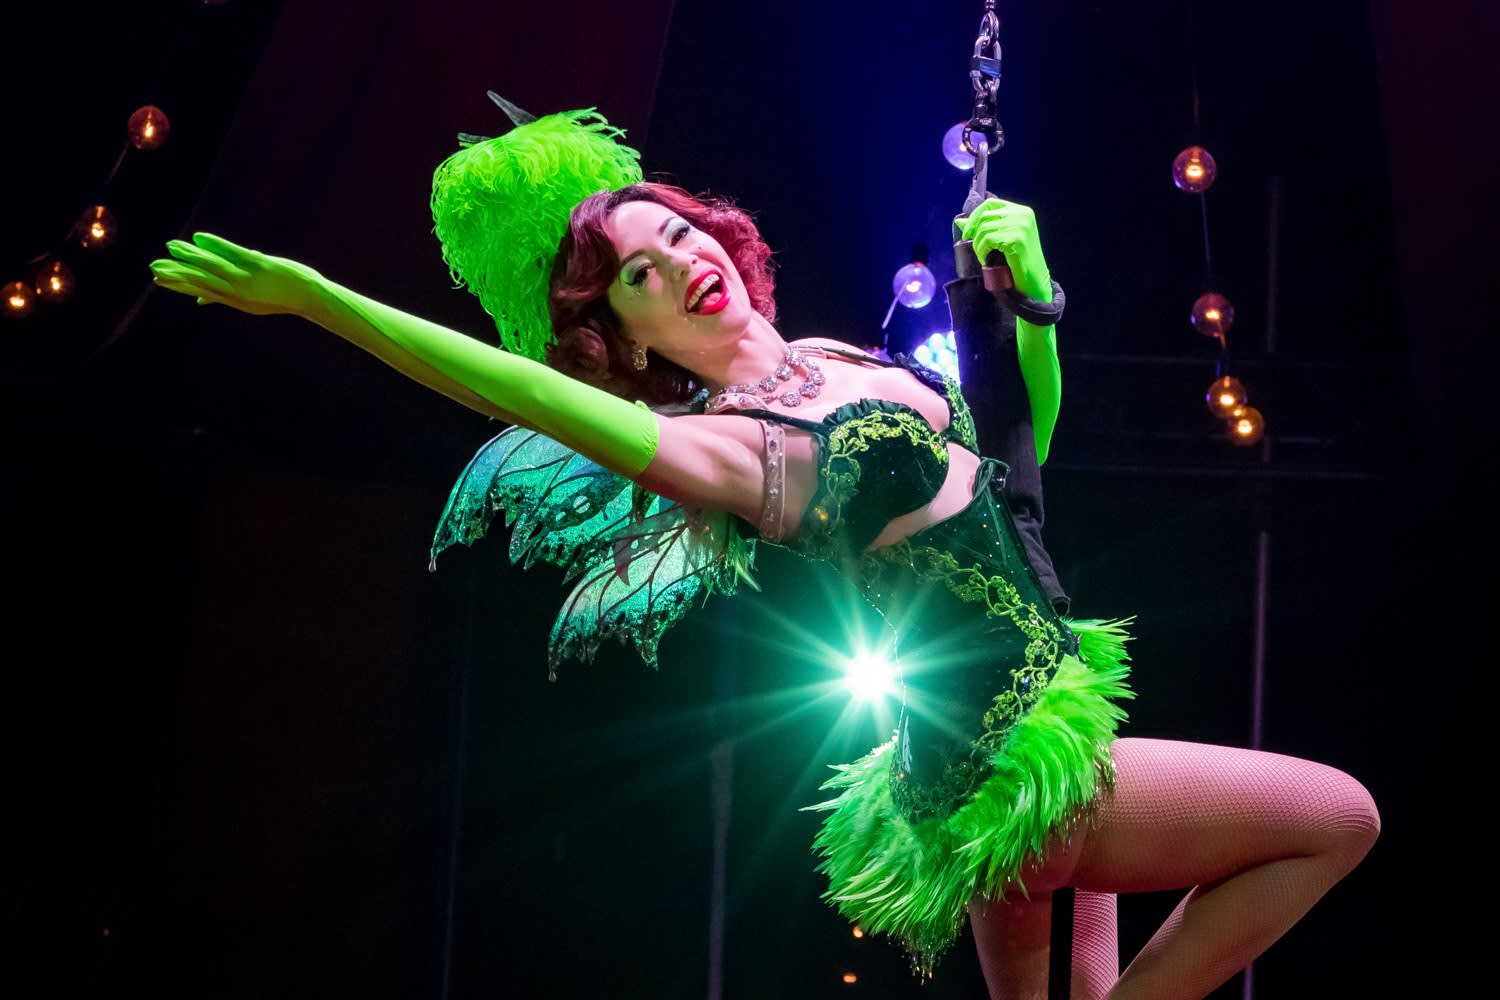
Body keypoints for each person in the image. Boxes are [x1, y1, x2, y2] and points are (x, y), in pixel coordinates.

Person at [148, 105, 1379, 1000]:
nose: (677, 262)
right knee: (1338, 819)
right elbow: (521, 391)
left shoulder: (838, 355)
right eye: (637, 272)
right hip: (1005, 765)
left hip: (1041, 723)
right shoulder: (733, 448)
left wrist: (1037, 304)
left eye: (678, 234)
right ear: (624, 337)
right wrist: (325, 300)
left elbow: (1018, 463)